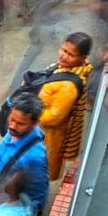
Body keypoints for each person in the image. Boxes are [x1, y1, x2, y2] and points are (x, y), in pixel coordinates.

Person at [0, 92, 48, 215]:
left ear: (35, 122)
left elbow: (36, 199)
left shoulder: (35, 156)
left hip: (3, 209)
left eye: (20, 123)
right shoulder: (13, 133)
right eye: (12, 119)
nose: (12, 126)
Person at [37, 33, 93, 180]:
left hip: (47, 137)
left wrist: (28, 115)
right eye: (63, 50)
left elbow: (53, 117)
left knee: (36, 175)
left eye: (70, 54)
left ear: (82, 57)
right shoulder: (62, 68)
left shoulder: (69, 86)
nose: (63, 56)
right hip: (40, 132)